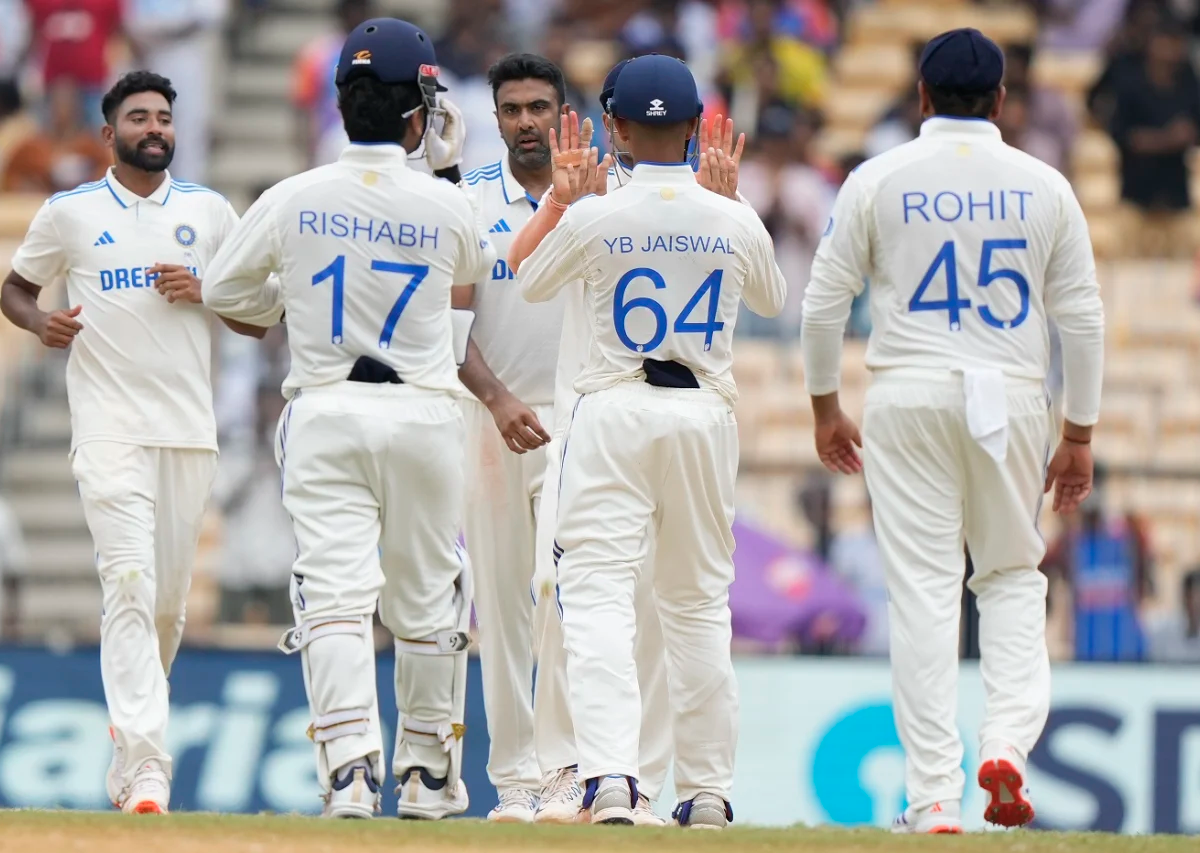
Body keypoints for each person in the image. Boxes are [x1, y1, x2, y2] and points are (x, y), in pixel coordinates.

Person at [801, 28, 1105, 834]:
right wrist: (1078, 431)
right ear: (1003, 100)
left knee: (925, 595)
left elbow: (824, 302)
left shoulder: (880, 175)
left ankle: (934, 798)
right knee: (1009, 576)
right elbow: (1082, 317)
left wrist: (826, 405)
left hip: (906, 390)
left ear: (922, 97)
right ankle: (1005, 741)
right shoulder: (1044, 184)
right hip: (1008, 394)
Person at [201, 18, 492, 821]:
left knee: (331, 593)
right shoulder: (443, 201)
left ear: (340, 102)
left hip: (326, 407)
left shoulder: (293, 194)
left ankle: (348, 772)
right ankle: (428, 776)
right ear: (416, 113)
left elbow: (224, 291)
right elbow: (475, 264)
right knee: (432, 596)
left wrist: (281, 305)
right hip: (425, 414)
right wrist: (450, 166)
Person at [515, 53, 786, 828]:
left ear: (616, 129)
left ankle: (609, 782)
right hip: (703, 414)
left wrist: (565, 205)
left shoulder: (600, 214)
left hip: (614, 407)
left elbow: (527, 280)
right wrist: (729, 202)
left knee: (597, 598)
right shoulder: (730, 214)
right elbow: (772, 295)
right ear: (700, 129)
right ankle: (706, 793)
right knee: (698, 607)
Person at [0, 70, 270, 815]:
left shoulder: (211, 212)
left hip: (188, 432)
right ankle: (151, 763)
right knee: (126, 582)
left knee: (165, 608)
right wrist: (38, 324)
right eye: (139, 118)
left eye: (164, 118)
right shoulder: (72, 213)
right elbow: (15, 288)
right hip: (108, 429)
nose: (155, 128)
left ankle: (127, 748)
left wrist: (209, 289)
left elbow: (261, 315)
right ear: (108, 131)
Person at [453, 52, 565, 823]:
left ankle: (564, 770)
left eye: (540, 107)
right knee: (499, 606)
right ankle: (515, 780)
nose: (527, 121)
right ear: (496, 118)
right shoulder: (463, 203)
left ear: (564, 112)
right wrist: (494, 399)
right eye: (514, 108)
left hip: (577, 417)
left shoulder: (597, 195)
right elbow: (446, 326)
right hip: (490, 418)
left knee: (564, 595)